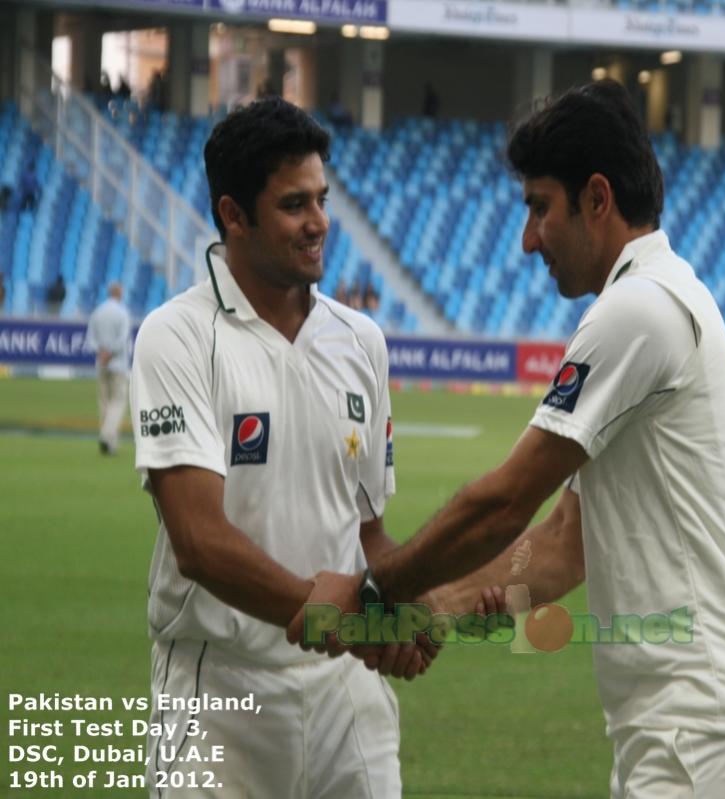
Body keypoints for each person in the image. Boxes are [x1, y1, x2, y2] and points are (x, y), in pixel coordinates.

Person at [289, 81, 725, 798]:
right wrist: (437, 609)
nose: (527, 239)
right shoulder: (657, 295)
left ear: (596, 198)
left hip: (708, 722)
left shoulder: (638, 309)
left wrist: (377, 591)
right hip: (694, 721)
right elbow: (569, 538)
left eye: (540, 207)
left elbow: (505, 499)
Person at [128, 96, 473, 798]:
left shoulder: (361, 342)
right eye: (292, 204)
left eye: (320, 198)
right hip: (217, 696)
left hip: (347, 694)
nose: (318, 223)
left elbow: (367, 529)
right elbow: (197, 538)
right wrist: (334, 613)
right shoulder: (177, 336)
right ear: (233, 215)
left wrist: (402, 607)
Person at [85, 282, 130, 454]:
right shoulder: (122, 312)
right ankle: (107, 435)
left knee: (104, 402)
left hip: (101, 363)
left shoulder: (98, 312)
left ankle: (110, 443)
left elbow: (91, 338)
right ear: (120, 293)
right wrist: (110, 352)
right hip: (118, 363)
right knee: (118, 402)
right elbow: (123, 338)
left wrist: (101, 352)